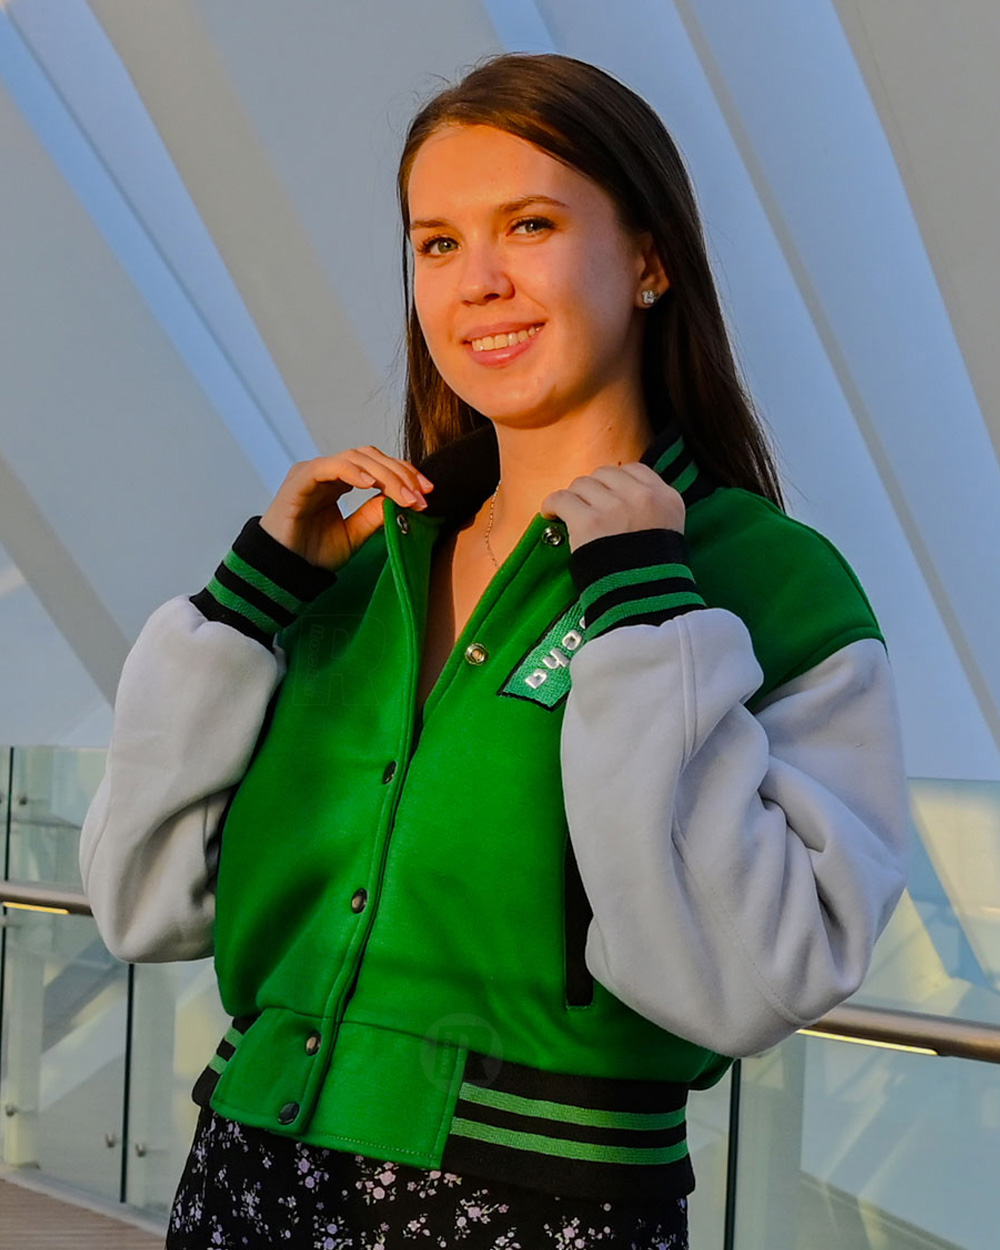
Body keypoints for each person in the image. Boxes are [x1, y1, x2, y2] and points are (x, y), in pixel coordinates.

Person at [79, 51, 909, 1250]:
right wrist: (245, 603)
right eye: (436, 244)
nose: (479, 283)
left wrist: (643, 608)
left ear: (647, 257)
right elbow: (141, 901)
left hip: (536, 1209)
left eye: (528, 224)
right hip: (244, 1178)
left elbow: (753, 973)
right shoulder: (358, 565)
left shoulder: (769, 582)